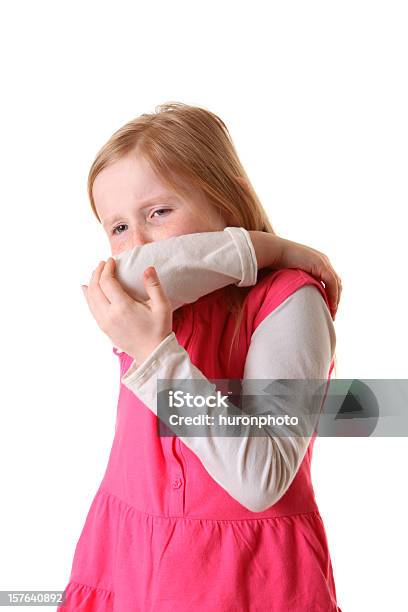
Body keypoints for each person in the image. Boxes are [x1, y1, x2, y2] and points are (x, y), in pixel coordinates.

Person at [58, 102, 343, 611]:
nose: (138, 244)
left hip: (243, 577)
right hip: (130, 558)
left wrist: (156, 356)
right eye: (118, 228)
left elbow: (261, 481)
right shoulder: (146, 299)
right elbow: (131, 271)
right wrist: (260, 247)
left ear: (226, 204)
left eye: (158, 213)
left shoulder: (291, 301)